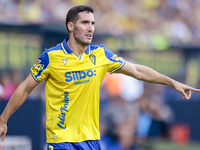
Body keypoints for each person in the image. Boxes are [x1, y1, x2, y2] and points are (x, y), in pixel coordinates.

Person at [0, 5, 199, 150]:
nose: (90, 28)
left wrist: (171, 82)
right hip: (61, 140)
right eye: (85, 22)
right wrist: (3, 119)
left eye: (93, 23)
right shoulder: (50, 57)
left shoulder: (101, 55)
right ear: (71, 26)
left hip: (91, 141)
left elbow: (137, 71)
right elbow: (25, 88)